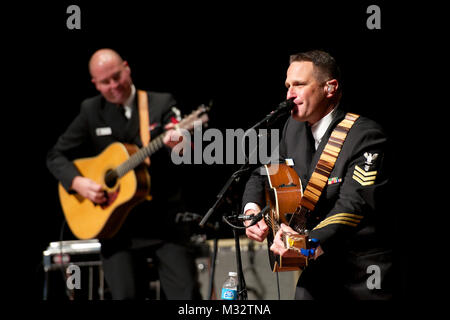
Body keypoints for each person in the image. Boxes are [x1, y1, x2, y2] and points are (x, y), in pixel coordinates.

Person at [47, 48, 200, 300]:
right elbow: (55, 156)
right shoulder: (91, 110)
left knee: (187, 297)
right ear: (95, 84)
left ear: (127, 68)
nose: (114, 85)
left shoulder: (160, 103)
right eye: (105, 82)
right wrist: (78, 183)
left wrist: (181, 142)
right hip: (117, 229)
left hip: (165, 224)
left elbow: (184, 144)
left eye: (117, 76)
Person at [242, 50, 393, 300]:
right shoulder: (293, 129)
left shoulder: (365, 136)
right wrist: (251, 209)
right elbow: (264, 172)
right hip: (319, 266)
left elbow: (353, 206)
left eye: (299, 85)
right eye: (288, 86)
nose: (290, 94)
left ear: (330, 88)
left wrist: (301, 241)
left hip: (362, 272)